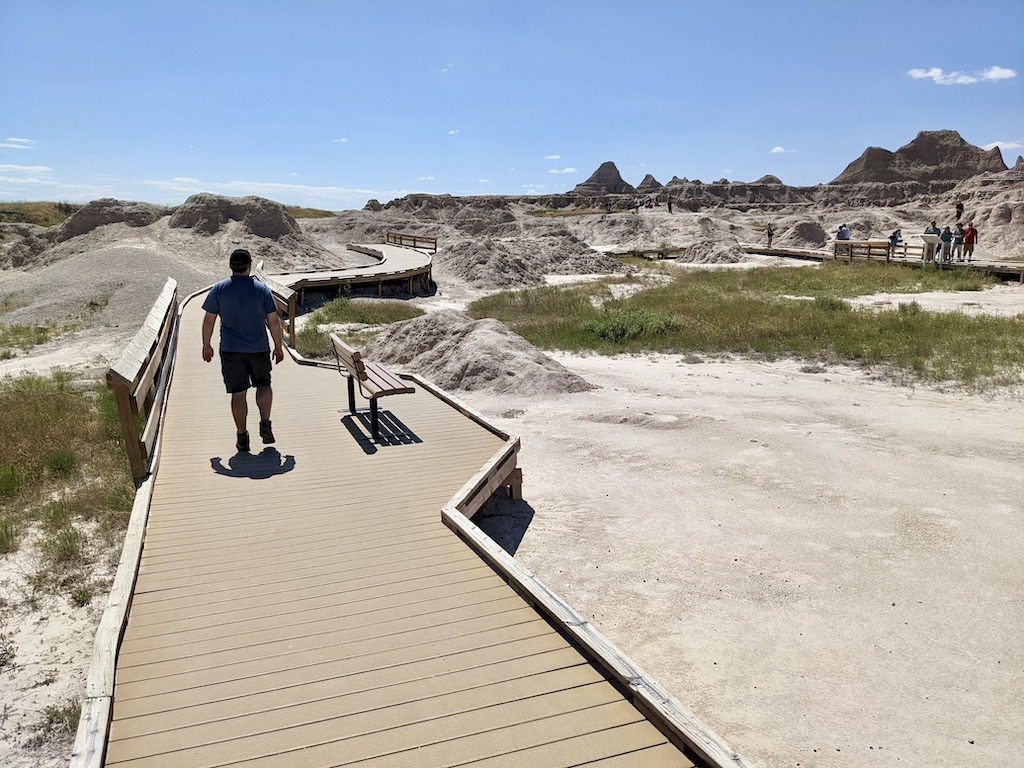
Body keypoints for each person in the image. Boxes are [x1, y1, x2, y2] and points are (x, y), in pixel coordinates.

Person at [202, 248, 285, 453]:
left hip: (231, 350)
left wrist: (206, 344)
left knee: (238, 394)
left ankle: (242, 437)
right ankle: (265, 423)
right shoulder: (261, 289)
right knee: (263, 385)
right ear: (249, 267)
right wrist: (278, 346)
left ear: (231, 267)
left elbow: (208, 321)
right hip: (258, 348)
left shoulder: (219, 289)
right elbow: (273, 322)